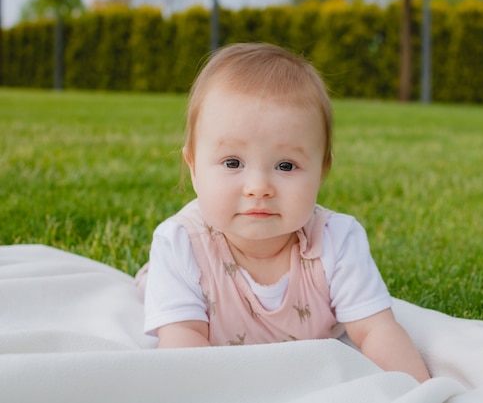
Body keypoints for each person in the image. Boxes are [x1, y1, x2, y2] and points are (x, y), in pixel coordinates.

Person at [140, 42, 431, 383]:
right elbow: (182, 345)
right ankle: (149, 280)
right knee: (163, 299)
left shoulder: (336, 241)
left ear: (322, 171)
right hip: (196, 284)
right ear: (193, 167)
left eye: (286, 165)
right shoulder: (182, 245)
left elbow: (375, 331)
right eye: (233, 162)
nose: (259, 186)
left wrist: (419, 390)